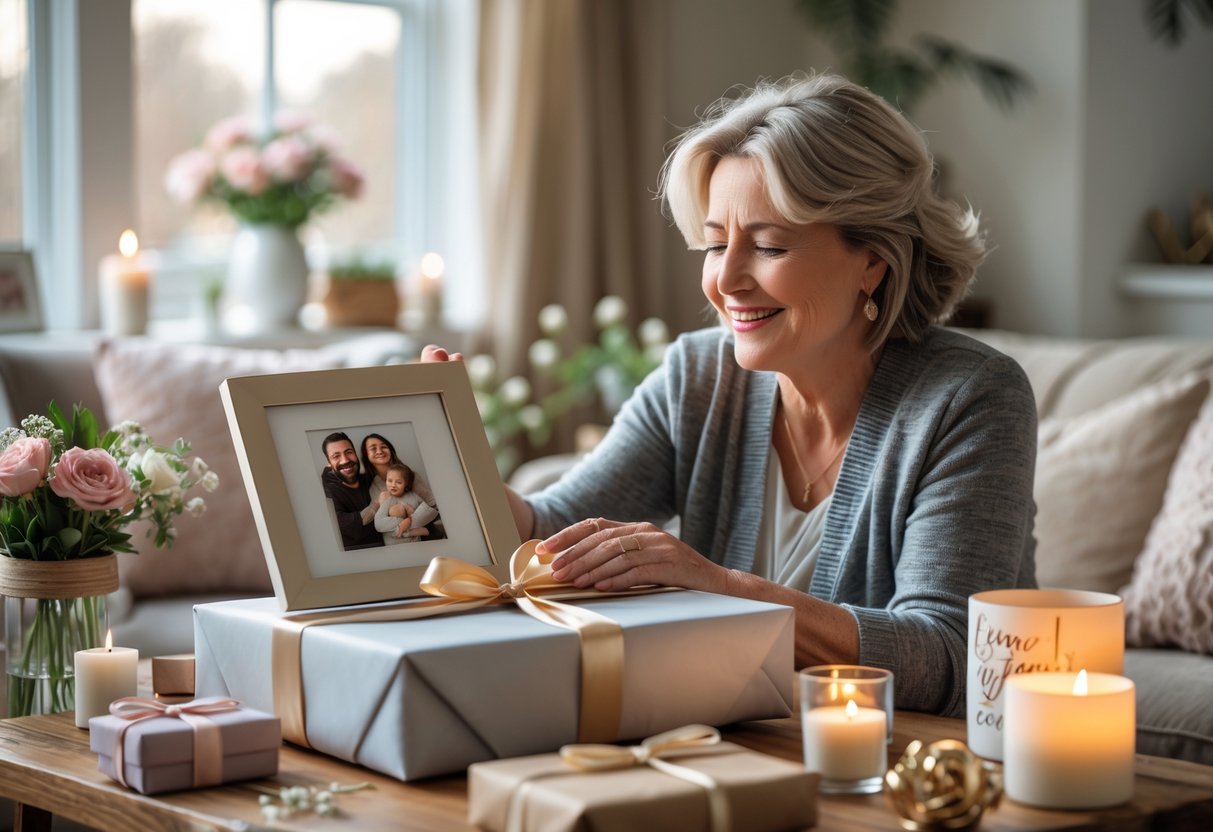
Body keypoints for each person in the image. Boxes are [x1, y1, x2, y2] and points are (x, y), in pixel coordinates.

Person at [423, 73, 1036, 717]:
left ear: (873, 260)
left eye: (769, 245)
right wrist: (451, 456)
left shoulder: (972, 397)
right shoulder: (698, 376)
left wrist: (715, 585)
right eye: (716, 244)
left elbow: (947, 658)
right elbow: (556, 533)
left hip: (911, 769)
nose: (726, 280)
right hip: (740, 745)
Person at [320, 432, 384, 550]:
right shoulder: (327, 492)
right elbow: (345, 525)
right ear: (329, 462)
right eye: (336, 456)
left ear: (356, 453)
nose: (345, 460)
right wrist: (378, 504)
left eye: (349, 452)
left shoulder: (370, 479)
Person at [374, 462, 436, 545]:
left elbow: (427, 512)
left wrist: (412, 518)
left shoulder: (413, 497)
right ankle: (407, 532)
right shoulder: (387, 500)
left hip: (416, 543)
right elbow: (379, 524)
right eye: (389, 481)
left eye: (398, 482)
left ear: (406, 484)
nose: (393, 485)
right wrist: (404, 522)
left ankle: (408, 532)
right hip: (394, 545)